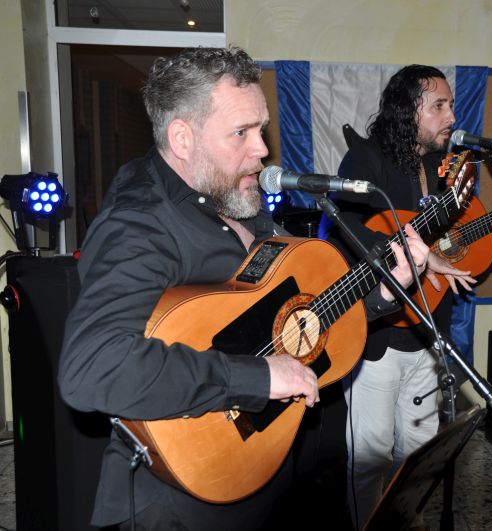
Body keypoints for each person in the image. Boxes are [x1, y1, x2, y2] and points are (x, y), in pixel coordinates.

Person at [57, 47, 430, 530]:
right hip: (182, 503)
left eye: (262, 129)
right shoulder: (138, 224)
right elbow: (91, 368)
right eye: (242, 132)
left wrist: (381, 294)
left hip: (265, 471)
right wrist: (257, 379)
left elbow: (294, 316)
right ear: (182, 138)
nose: (261, 150)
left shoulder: (236, 198)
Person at [319, 64, 492, 529]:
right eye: (439, 105)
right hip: (377, 338)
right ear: (408, 110)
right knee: (370, 457)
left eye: (451, 104)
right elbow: (342, 228)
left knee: (419, 453)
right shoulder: (367, 159)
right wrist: (412, 252)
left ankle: (408, 520)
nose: (451, 116)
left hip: (429, 334)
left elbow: (456, 252)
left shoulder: (442, 169)